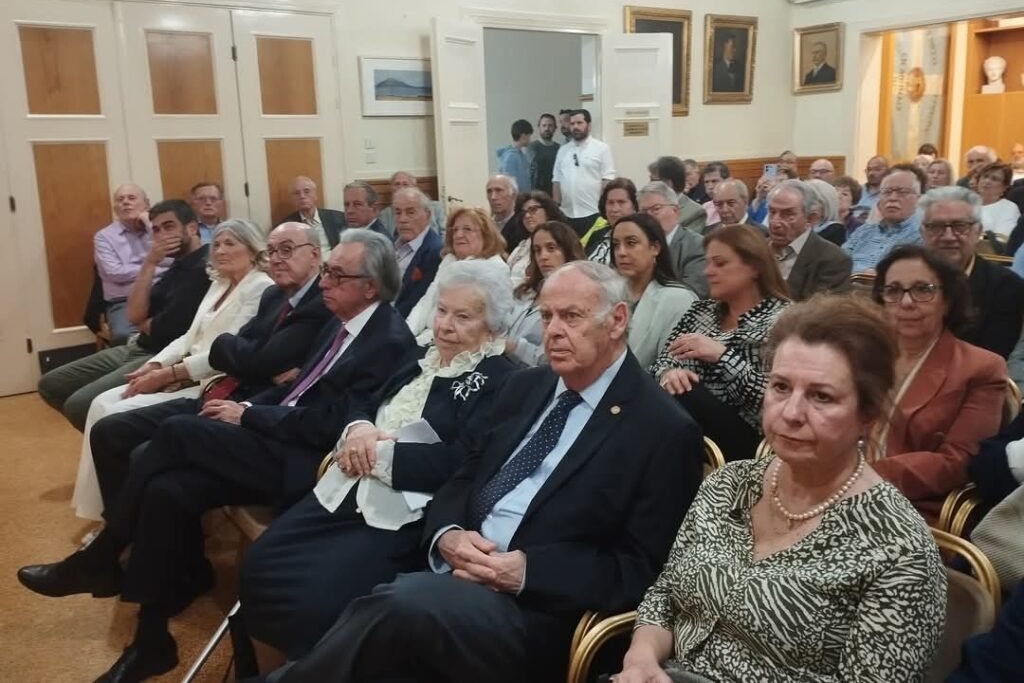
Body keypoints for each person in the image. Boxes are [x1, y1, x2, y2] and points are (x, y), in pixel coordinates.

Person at [242, 260, 703, 683]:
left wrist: (527, 572)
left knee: (403, 605)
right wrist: (447, 535)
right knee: (345, 596)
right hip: (455, 570)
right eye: (546, 317)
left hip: (535, 609)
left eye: (571, 317)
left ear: (617, 320)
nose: (553, 331)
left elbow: (642, 570)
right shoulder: (527, 387)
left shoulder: (662, 429)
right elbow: (466, 474)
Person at [17, 229, 419, 683]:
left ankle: (104, 553)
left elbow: (332, 424)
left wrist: (248, 415)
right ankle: (151, 640)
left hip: (305, 463)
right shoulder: (339, 318)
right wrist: (250, 408)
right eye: (326, 271)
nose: (324, 281)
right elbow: (295, 389)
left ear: (370, 286)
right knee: (169, 489)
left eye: (337, 275)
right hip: (277, 435)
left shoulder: (388, 340)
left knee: (177, 432)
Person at [611, 295, 945, 683]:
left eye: (821, 396)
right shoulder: (727, 484)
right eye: (781, 387)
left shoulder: (898, 549)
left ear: (867, 415)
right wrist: (641, 659)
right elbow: (666, 595)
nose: (791, 413)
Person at [238, 259, 518, 659]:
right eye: (441, 310)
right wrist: (359, 429)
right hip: (346, 484)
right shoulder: (419, 354)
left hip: (402, 512)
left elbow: (463, 461)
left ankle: (312, 667)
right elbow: (364, 400)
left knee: (315, 600)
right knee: (260, 562)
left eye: (463, 317)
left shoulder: (501, 379)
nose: (444, 325)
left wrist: (377, 455)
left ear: (491, 327)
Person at [73, 222, 332, 526]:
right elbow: (216, 343)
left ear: (315, 255)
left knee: (147, 455)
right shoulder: (265, 294)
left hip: (235, 396)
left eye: (286, 250)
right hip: (222, 387)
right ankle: (117, 525)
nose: (220, 250)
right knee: (108, 429)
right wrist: (160, 364)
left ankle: (120, 533)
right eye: (273, 250)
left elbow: (254, 357)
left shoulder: (290, 295)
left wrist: (179, 370)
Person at [38, 200, 211, 432]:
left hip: (161, 355)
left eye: (169, 226)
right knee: (50, 384)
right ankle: (107, 436)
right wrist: (149, 262)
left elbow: (165, 328)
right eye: (156, 229)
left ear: (191, 228)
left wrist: (144, 322)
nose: (161, 235)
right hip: (137, 345)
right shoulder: (176, 264)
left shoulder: (204, 267)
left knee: (78, 405)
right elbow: (133, 315)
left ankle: (114, 441)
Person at [870, 245, 1006, 522]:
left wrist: (863, 476)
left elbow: (958, 461)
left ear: (948, 300)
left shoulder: (981, 368)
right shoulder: (860, 353)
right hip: (828, 488)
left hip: (908, 508)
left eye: (923, 290)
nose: (906, 302)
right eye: (893, 290)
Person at [654, 225, 790, 460]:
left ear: (754, 267)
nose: (707, 272)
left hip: (749, 436)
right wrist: (669, 373)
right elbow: (662, 361)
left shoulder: (784, 320)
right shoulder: (700, 311)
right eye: (707, 263)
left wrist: (723, 356)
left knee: (684, 396)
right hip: (685, 426)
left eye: (720, 263)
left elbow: (776, 398)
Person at [920, 186, 1024, 359]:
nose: (948, 236)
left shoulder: (1005, 285)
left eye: (960, 226)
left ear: (978, 231)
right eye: (936, 226)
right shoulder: (903, 279)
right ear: (922, 232)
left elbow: (993, 355)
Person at [406, 207, 508, 345]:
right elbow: (427, 301)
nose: (458, 235)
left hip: (457, 342)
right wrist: (407, 336)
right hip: (429, 335)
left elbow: (483, 326)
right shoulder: (449, 261)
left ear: (486, 235)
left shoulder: (495, 268)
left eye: (467, 229)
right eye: (455, 230)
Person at [610, 214, 696, 370]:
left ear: (655, 248)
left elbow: (675, 367)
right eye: (616, 245)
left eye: (631, 243)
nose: (621, 252)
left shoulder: (678, 299)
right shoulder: (607, 296)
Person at [506, 221, 583, 366]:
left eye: (551, 248)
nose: (543, 256)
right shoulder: (524, 291)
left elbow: (550, 358)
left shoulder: (577, 300)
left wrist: (513, 347)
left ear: (567, 251)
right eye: (537, 250)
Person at [93, 183, 158, 343]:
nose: (126, 202)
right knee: (124, 336)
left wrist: (150, 225)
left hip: (160, 294)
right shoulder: (104, 237)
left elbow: (172, 260)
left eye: (132, 198)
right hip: (124, 302)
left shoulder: (158, 229)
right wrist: (153, 267)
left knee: (181, 325)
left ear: (146, 204)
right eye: (120, 199)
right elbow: (115, 273)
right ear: (115, 208)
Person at [766, 180, 851, 301]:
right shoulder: (755, 249)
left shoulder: (833, 260)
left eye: (787, 214)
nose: (775, 222)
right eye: (772, 212)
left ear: (811, 218)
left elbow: (821, 310)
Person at [842, 168, 923, 272]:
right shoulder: (863, 231)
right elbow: (839, 261)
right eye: (887, 192)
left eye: (902, 192)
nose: (892, 198)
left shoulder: (922, 236)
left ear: (918, 199)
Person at [638, 182, 708, 297]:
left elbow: (692, 292)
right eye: (644, 212)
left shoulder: (697, 246)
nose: (649, 216)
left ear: (675, 211)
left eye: (656, 209)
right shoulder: (637, 246)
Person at [552, 108, 615, 236]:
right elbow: (556, 180)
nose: (575, 126)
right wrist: (555, 209)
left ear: (589, 125)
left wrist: (604, 209)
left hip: (593, 213)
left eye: (579, 123)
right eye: (572, 123)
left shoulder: (601, 148)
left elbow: (607, 179)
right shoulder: (563, 151)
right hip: (567, 214)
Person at [392, 187, 444, 319]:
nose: (402, 219)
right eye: (397, 212)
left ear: (428, 215)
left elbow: (416, 303)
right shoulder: (390, 245)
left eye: (410, 212)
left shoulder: (436, 252)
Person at [505, 191, 567, 288]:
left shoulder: (561, 240)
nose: (527, 216)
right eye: (523, 212)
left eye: (533, 209)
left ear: (547, 211)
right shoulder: (522, 245)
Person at [280, 176, 345, 251]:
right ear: (292, 199)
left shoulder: (338, 218)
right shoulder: (286, 226)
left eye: (307, 191)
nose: (302, 196)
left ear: (315, 195)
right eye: (297, 193)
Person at [647, 156, 708, 233]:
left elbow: (686, 240)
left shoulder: (695, 212)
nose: (649, 185)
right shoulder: (646, 206)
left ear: (669, 183)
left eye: (653, 181)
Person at [586, 178, 638, 265]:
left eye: (621, 202)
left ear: (634, 206)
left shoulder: (640, 239)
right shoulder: (597, 235)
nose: (615, 209)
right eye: (610, 203)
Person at [377, 171, 445, 237]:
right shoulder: (385, 214)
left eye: (405, 184)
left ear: (414, 187)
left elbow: (445, 233)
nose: (401, 188)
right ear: (391, 188)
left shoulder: (436, 207)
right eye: (397, 184)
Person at [977, 161, 1021, 238]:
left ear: (1005, 187)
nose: (987, 181)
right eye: (985, 176)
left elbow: (1001, 238)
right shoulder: (966, 203)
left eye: (994, 179)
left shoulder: (1009, 207)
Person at [486, 174, 524, 253]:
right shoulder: (485, 226)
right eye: (489, 191)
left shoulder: (522, 226)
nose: (493, 197)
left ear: (513, 195)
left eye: (499, 190)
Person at [496, 118, 533, 193]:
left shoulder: (521, 154)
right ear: (523, 136)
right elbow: (508, 183)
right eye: (529, 136)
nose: (530, 139)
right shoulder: (511, 156)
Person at [805, 177, 847, 245]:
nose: (805, 205)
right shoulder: (799, 226)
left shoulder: (834, 229)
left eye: (811, 202)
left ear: (825, 204)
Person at [528, 113, 560, 196]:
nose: (547, 128)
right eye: (544, 125)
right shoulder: (531, 148)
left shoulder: (560, 149)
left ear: (555, 128)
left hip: (554, 194)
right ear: (539, 127)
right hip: (535, 194)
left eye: (550, 126)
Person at [698, 161, 730, 227]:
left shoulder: (736, 207)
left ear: (727, 181)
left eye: (714, 181)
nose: (710, 187)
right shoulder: (704, 207)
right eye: (706, 182)